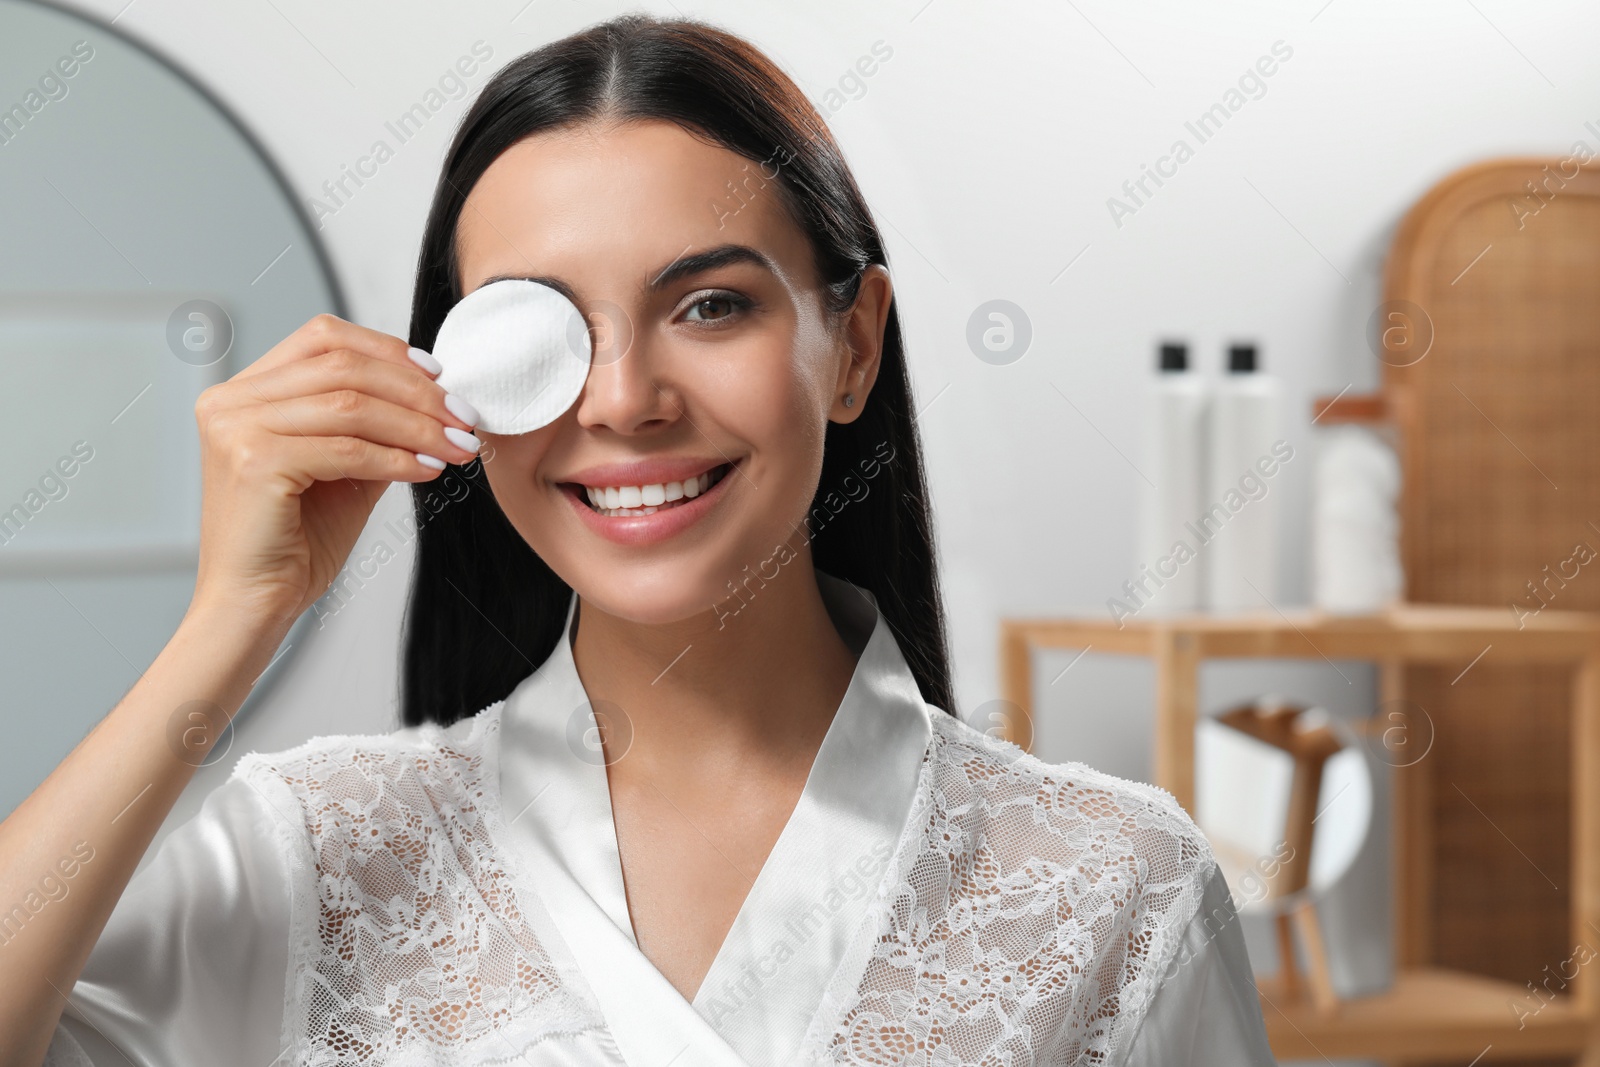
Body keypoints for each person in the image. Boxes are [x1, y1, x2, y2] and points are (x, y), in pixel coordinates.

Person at [0, 14, 1275, 1067]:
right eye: (539, 326)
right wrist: (230, 620)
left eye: (709, 305)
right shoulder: (318, 848)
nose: (622, 399)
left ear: (854, 344)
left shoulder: (1116, 884)